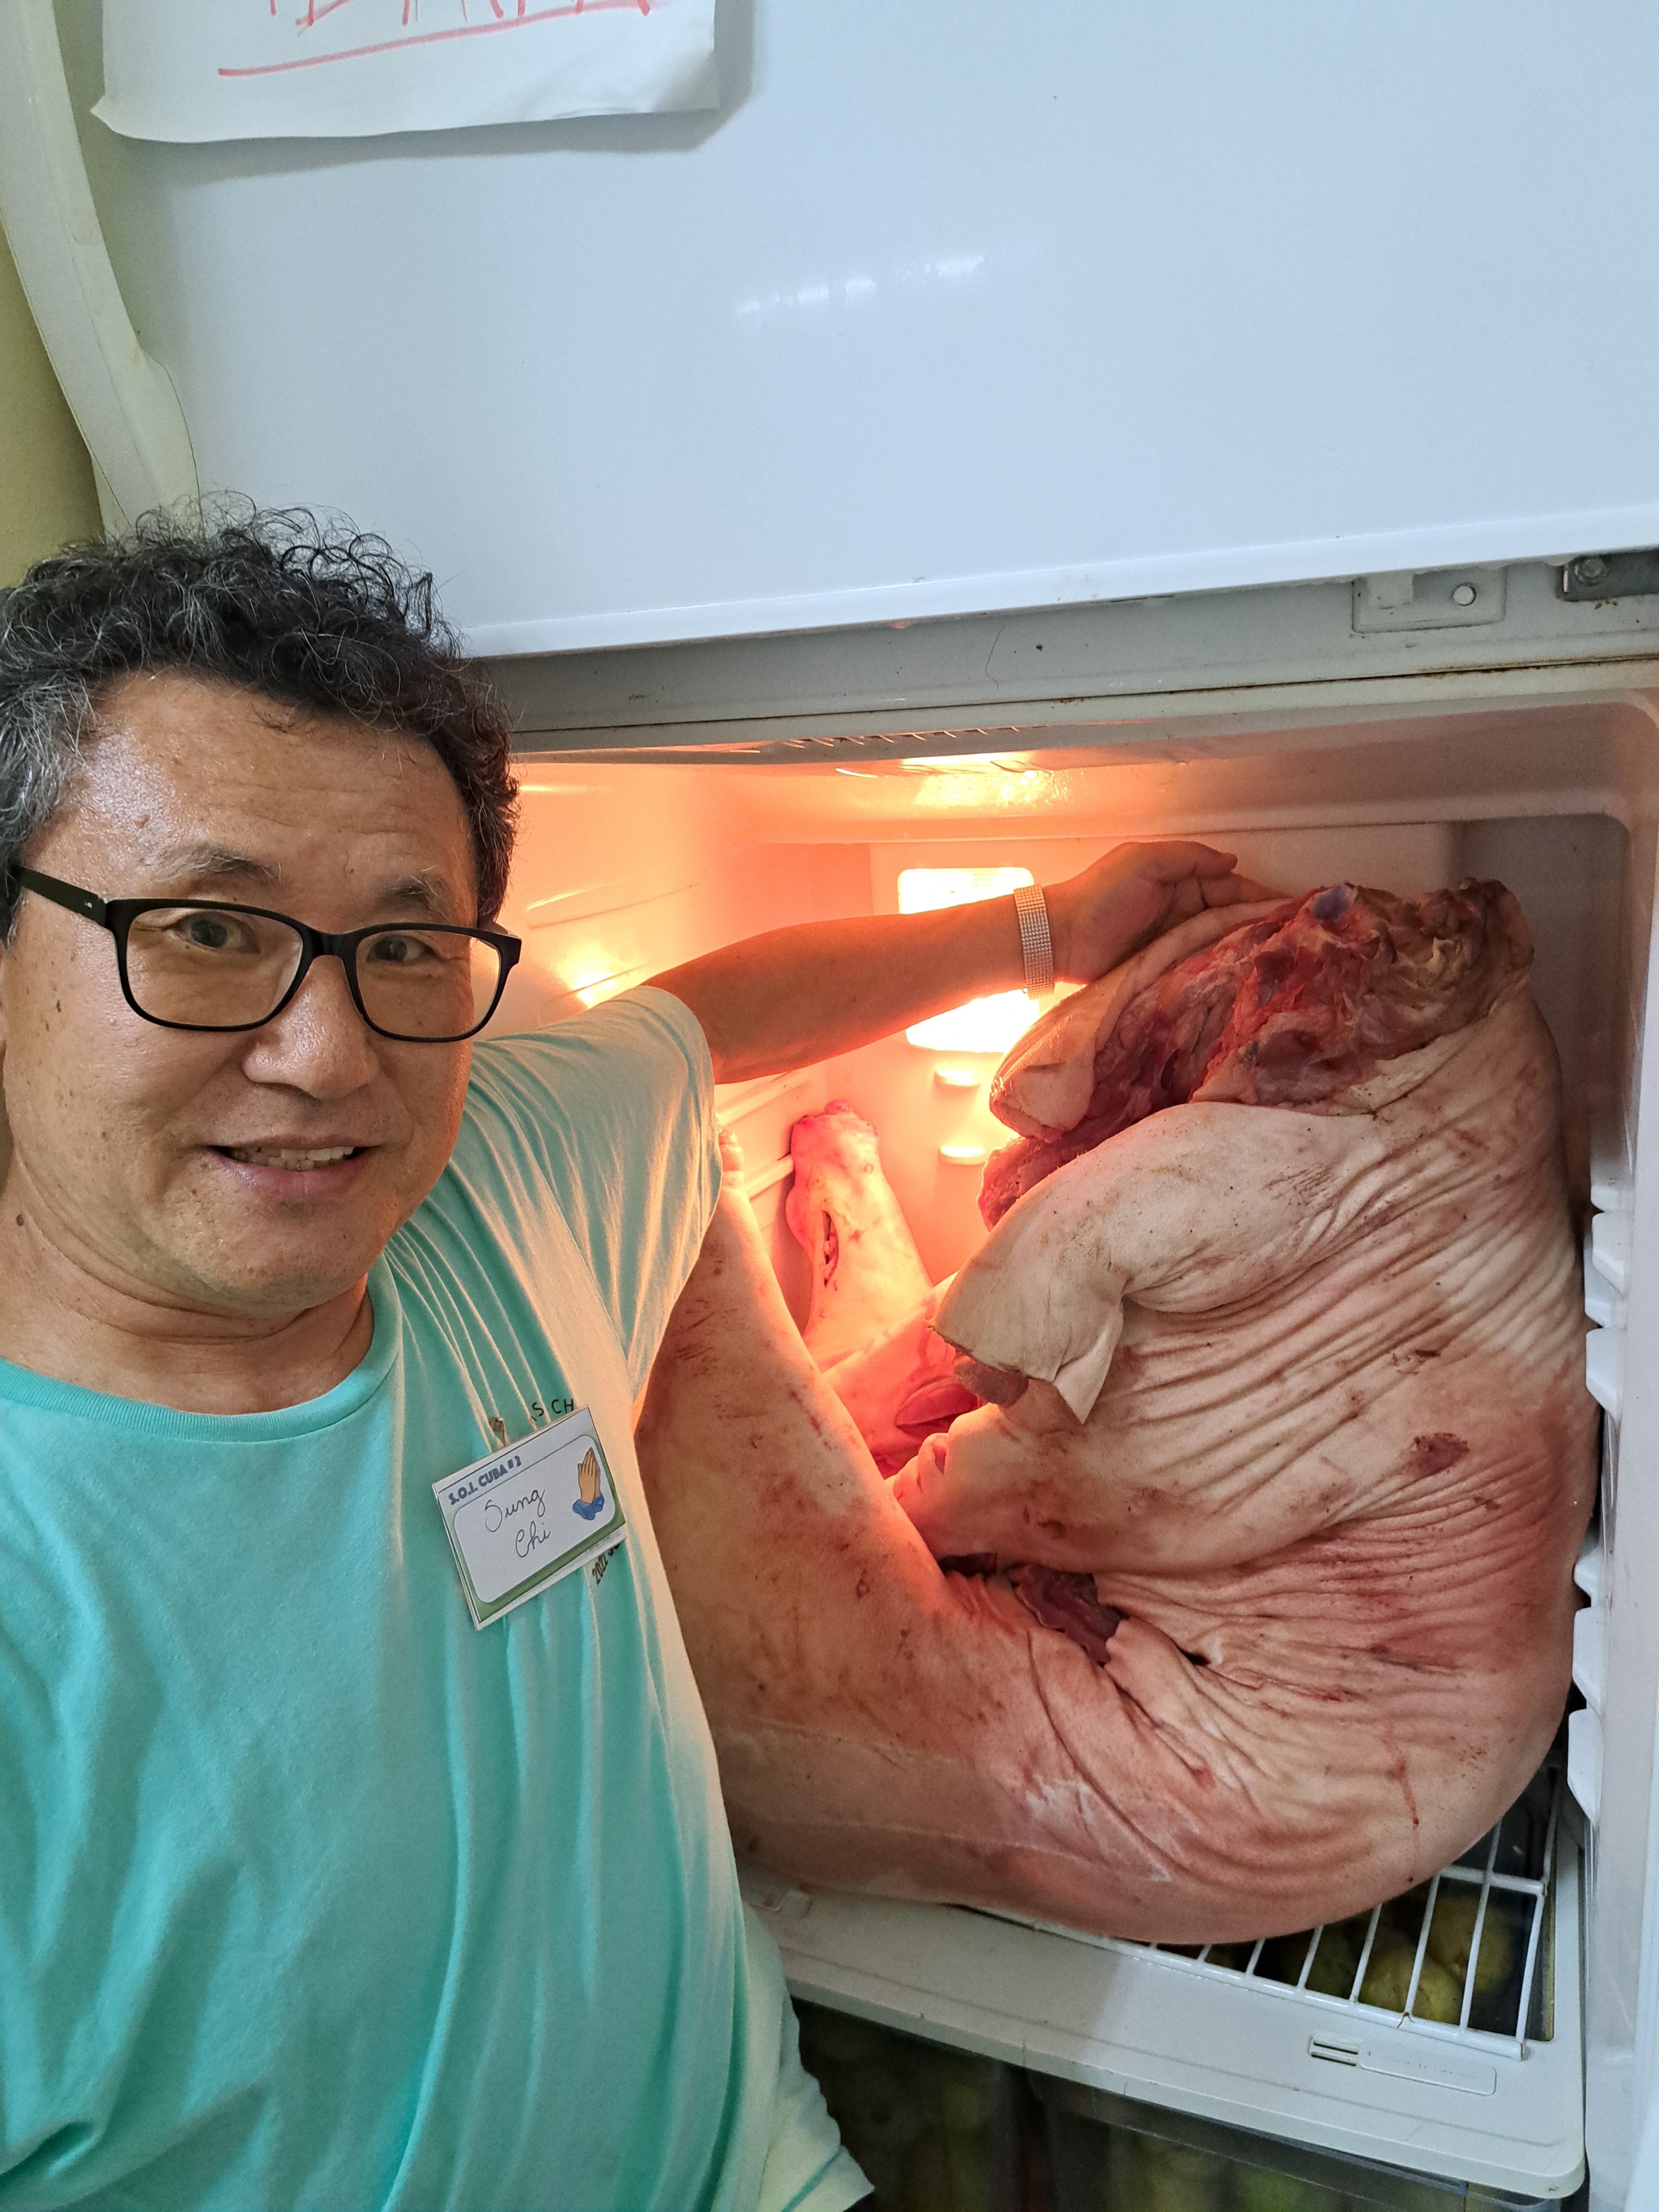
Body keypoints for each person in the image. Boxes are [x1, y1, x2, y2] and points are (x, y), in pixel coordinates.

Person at [0, 512, 1266, 2212]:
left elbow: (704, 1022)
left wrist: (1043, 926)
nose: (325, 1055)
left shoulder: (492, 1183)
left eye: (404, 949)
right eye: (206, 933)